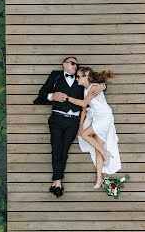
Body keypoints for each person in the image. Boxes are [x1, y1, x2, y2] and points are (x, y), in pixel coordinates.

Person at [33, 57, 105, 198]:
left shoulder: (81, 77)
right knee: (56, 148)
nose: (74, 65)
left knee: (64, 150)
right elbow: (41, 94)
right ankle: (58, 181)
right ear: (63, 65)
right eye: (71, 63)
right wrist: (52, 96)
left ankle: (56, 181)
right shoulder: (55, 75)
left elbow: (99, 82)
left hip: (73, 121)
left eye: (76, 64)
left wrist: (103, 86)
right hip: (57, 119)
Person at [67, 67, 121, 188]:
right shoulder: (86, 90)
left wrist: (67, 98)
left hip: (104, 116)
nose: (77, 79)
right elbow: (84, 109)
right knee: (97, 148)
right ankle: (99, 179)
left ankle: (104, 153)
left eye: (79, 76)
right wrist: (81, 124)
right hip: (97, 118)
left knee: (85, 135)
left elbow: (83, 103)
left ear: (86, 75)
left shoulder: (95, 87)